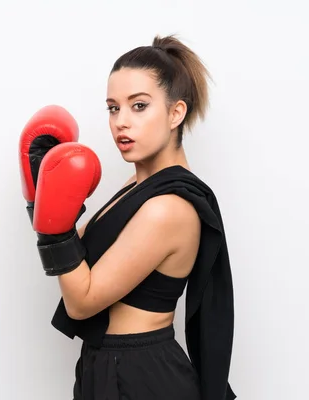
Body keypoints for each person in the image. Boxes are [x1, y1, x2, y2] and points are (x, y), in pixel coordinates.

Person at [19, 34, 236, 400]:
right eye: (112, 107)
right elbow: (79, 255)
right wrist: (42, 199)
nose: (121, 122)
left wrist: (53, 229)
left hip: (140, 374)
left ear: (175, 113)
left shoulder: (168, 207)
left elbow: (82, 299)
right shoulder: (137, 186)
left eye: (138, 106)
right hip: (107, 365)